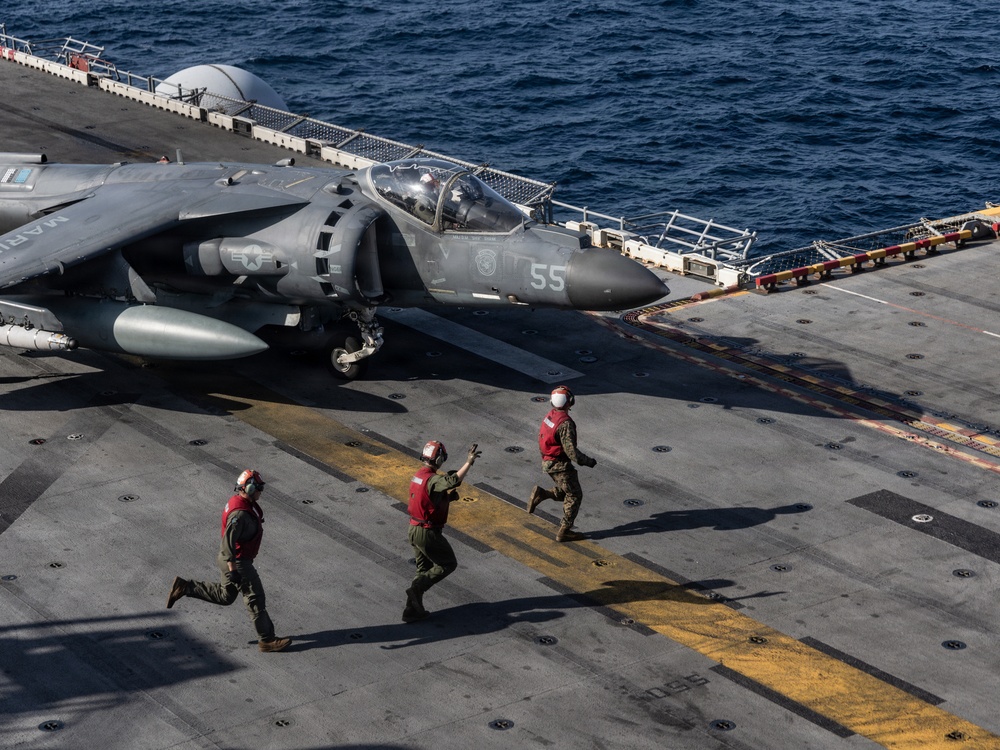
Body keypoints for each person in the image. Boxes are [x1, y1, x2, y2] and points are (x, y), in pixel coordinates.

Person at [166, 470, 291, 652]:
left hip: (234, 560)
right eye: (259, 488)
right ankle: (267, 640)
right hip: (237, 562)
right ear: (248, 488)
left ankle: (185, 587)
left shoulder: (244, 503)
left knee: (225, 596)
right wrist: (233, 570)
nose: (261, 491)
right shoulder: (239, 515)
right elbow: (227, 544)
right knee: (254, 598)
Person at [404, 440, 481, 622]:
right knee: (448, 564)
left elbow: (427, 500)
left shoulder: (419, 475)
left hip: (414, 528)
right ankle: (416, 590)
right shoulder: (433, 479)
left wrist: (446, 499)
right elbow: (453, 480)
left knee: (423, 569)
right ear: (438, 458)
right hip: (427, 532)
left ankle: (411, 610)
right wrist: (469, 462)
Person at [528, 385, 597, 542]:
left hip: (548, 461)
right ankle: (564, 531)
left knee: (567, 490)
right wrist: (588, 461)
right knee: (574, 495)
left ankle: (542, 494)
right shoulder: (565, 424)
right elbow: (572, 453)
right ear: (569, 401)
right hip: (559, 465)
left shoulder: (551, 415)